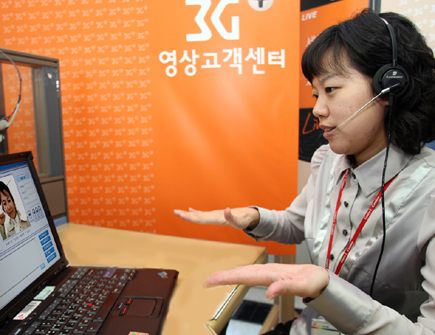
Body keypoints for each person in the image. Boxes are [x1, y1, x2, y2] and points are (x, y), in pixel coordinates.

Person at [174, 9, 435, 335]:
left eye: (331, 89)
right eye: (315, 93)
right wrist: (254, 218)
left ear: (389, 88)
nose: (317, 109)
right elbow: (297, 225)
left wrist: (326, 290)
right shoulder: (327, 159)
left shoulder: (429, 193)